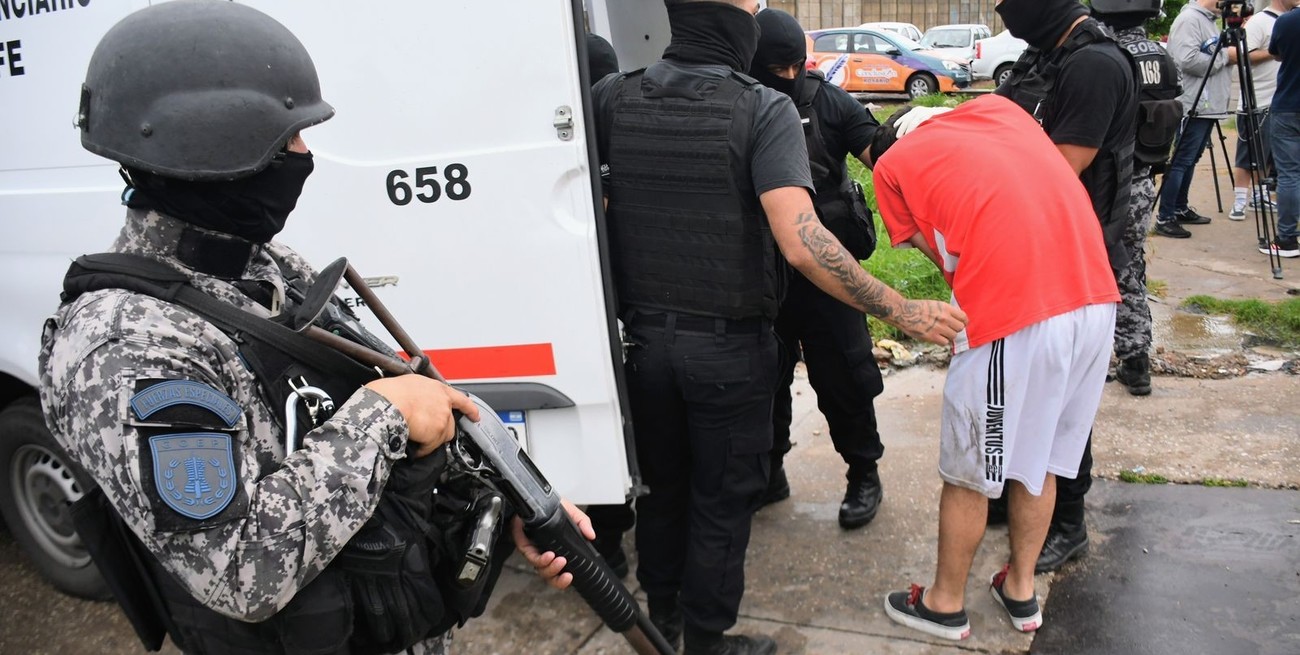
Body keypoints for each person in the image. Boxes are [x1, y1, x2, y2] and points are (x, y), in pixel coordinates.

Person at [39, 3, 587, 654]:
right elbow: (239, 568)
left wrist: (515, 498)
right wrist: (380, 417)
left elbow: (415, 404)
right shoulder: (125, 342)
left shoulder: (267, 268)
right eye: (288, 138)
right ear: (218, 144)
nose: (304, 156)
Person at [591, 2, 968, 653]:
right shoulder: (760, 111)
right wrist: (902, 308)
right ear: (730, 24)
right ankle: (708, 639)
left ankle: (661, 622)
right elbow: (801, 240)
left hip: (643, 346)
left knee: (663, 488)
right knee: (720, 497)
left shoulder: (613, 97)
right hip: (726, 349)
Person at [870, 95, 1121, 641]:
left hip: (1016, 313)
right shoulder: (1001, 109)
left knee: (971, 471)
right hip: (1096, 299)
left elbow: (938, 256)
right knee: (1043, 457)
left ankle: (943, 604)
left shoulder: (890, 166)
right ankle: (1020, 591)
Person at [993, 0, 1137, 574]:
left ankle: (1067, 521)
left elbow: (1060, 165)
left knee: (1062, 404)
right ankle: (1017, 494)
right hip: (1034, 250)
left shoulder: (1095, 64)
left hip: (1077, 260)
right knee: (1017, 385)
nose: (1004, 10)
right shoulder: (1046, 55)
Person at [748, 8, 887, 530]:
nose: (788, 79)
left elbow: (878, 151)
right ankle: (769, 473)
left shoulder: (827, 100)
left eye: (795, 67)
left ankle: (863, 473)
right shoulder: (743, 104)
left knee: (846, 378)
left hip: (828, 272)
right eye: (775, 69)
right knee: (763, 384)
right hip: (763, 276)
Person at [1092, 0, 1183, 397]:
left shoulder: (1103, 58)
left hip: (1105, 184)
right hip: (1144, 182)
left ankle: (1109, 358)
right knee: (1131, 264)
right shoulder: (1161, 56)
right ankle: (1136, 360)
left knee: (1100, 271)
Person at [1154, 0, 1239, 239]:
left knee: (1191, 159)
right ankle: (1165, 217)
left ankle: (1179, 207)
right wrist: (1226, 56)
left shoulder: (1209, 21)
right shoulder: (1190, 19)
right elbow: (1185, 60)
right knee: (1181, 159)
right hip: (1193, 103)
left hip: (1207, 105)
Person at [1229, 1, 1289, 221]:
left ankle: (1260, 195)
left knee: (1267, 156)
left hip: (1277, 102)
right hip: (1256, 102)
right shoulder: (1259, 22)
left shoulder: (1287, 22)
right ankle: (1239, 202)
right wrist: (1274, 52)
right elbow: (1239, 55)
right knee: (1247, 156)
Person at [1266, 1, 1300, 257]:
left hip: (1288, 104)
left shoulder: (1286, 21)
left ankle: (1287, 238)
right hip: (1288, 106)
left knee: (1288, 174)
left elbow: (1276, 54)